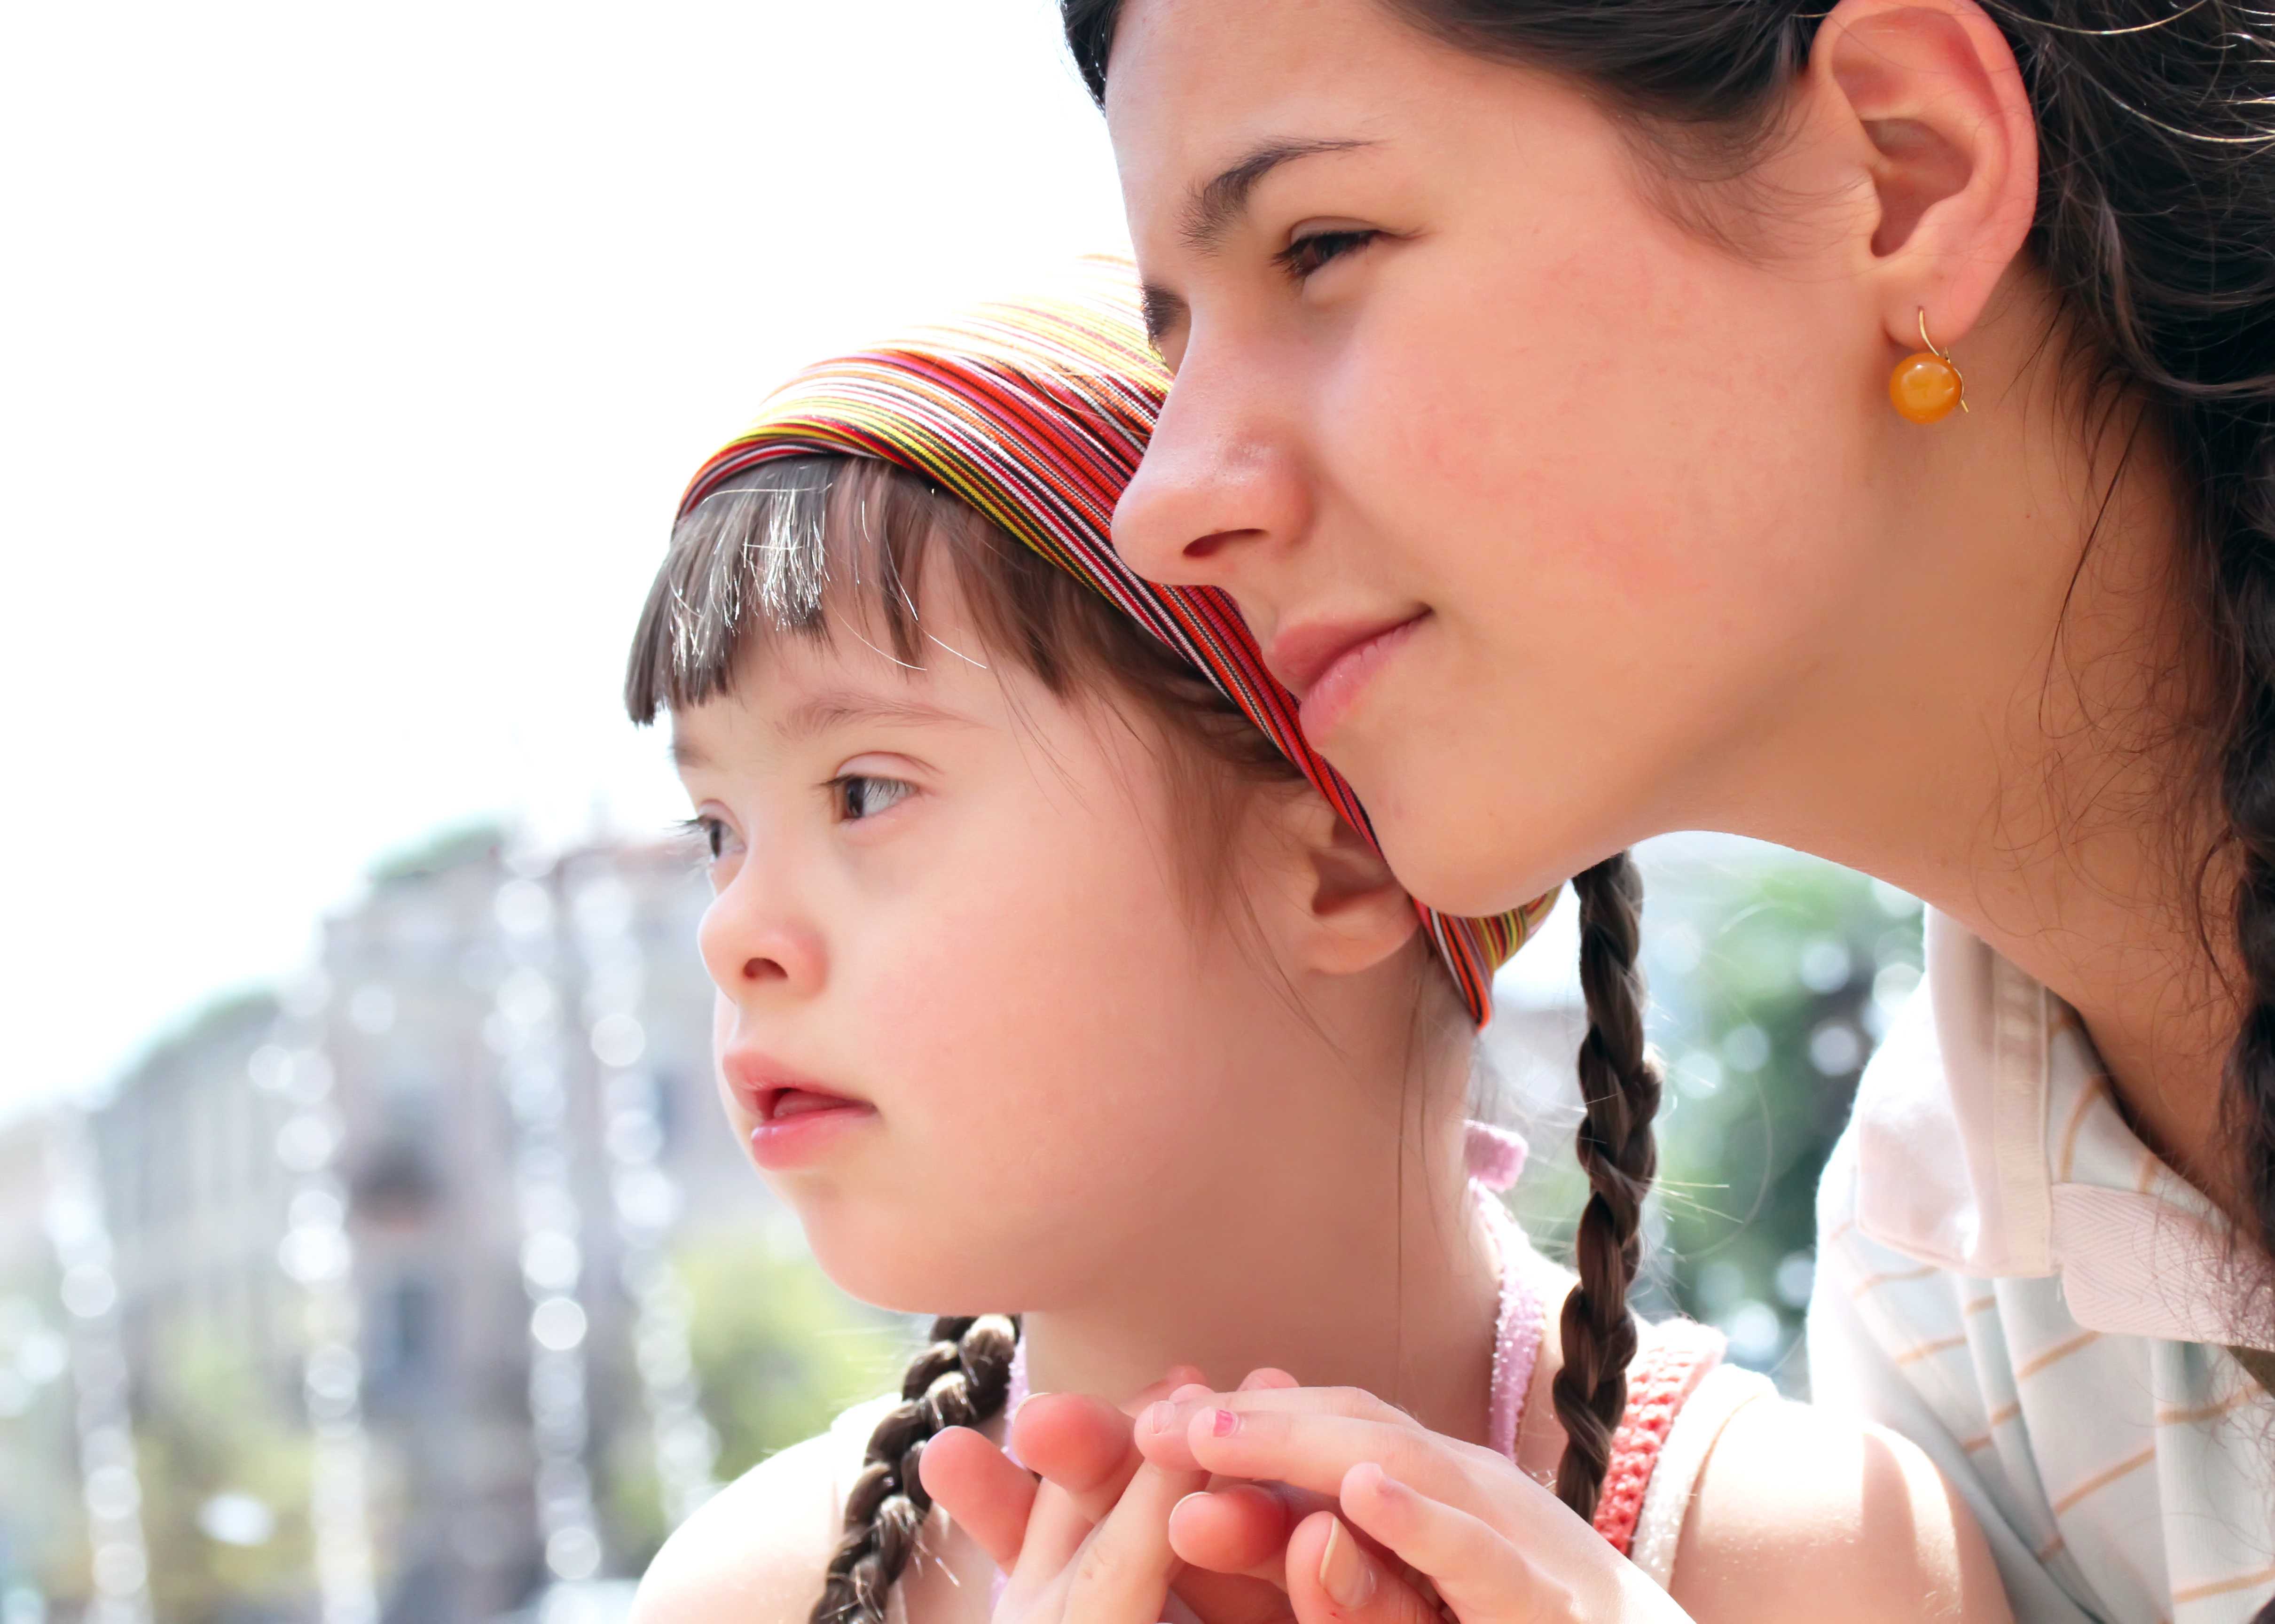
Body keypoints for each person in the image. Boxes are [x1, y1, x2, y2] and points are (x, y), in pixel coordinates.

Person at [1056, 0, 2275, 1618]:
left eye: (1323, 244)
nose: (1164, 506)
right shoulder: (1948, 1247)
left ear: (1904, 172)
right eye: (1176, 340)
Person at [618, 265, 2004, 1624]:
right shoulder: (752, 1592)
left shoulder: (1793, 1559)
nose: (737, 932)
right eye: (717, 831)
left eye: (864, 791)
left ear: (1346, 851)